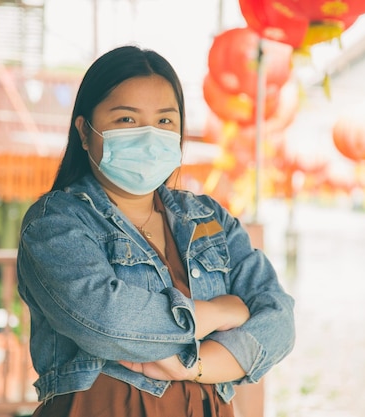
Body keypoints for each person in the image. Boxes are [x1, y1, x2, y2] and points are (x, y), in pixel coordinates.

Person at [16, 45, 295, 417]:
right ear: (85, 132)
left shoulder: (210, 219)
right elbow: (108, 322)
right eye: (127, 120)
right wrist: (213, 313)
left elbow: (278, 319)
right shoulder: (55, 224)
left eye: (165, 121)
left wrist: (197, 367)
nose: (149, 136)